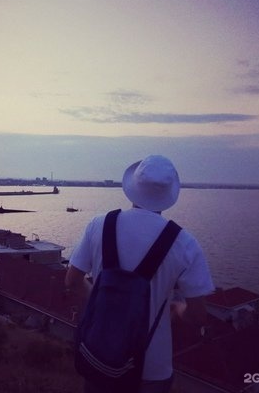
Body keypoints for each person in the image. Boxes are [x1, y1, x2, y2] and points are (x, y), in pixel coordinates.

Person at [65, 155, 215, 393]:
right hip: (152, 368)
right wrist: (177, 309)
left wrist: (104, 300)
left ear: (132, 187)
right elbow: (198, 317)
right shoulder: (185, 243)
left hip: (99, 355)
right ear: (169, 195)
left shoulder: (99, 225)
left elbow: (72, 281)